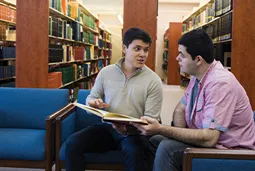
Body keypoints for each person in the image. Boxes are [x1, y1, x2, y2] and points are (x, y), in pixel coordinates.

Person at [133, 29, 255, 171]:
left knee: (168, 148)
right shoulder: (198, 76)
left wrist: (161, 129)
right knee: (155, 141)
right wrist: (179, 135)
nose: (177, 58)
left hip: (231, 152)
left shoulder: (220, 84)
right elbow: (181, 108)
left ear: (198, 60)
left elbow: (209, 138)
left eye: (182, 55)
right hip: (210, 144)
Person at [65, 27, 163, 171]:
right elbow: (92, 97)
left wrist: (128, 128)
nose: (142, 54)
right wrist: (93, 103)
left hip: (134, 132)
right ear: (124, 48)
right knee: (73, 143)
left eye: (146, 50)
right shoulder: (106, 72)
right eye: (137, 49)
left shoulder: (154, 80)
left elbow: (150, 120)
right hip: (108, 127)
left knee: (135, 153)